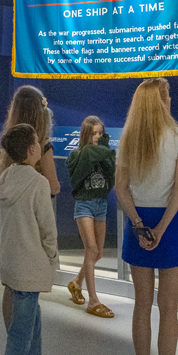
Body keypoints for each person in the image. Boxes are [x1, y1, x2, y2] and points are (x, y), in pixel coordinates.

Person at [114, 79, 178, 355]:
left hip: (138, 225)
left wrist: (138, 224)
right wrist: (161, 228)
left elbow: (121, 188)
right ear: (163, 101)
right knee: (169, 308)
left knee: (142, 306)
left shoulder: (127, 140)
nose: (171, 98)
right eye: (168, 95)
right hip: (170, 224)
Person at [0, 124, 58, 355]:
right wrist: (53, 257)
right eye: (38, 143)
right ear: (32, 150)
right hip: (31, 269)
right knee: (19, 340)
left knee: (34, 322)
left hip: (11, 265)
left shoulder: (7, 178)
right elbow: (48, 230)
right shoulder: (38, 183)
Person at [0, 86, 59, 338]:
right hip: (33, 234)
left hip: (10, 233)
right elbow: (53, 185)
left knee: (10, 288)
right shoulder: (41, 146)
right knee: (29, 297)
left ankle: (14, 342)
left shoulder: (8, 147)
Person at [65, 115, 115, 318]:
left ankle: (76, 283)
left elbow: (112, 170)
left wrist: (106, 152)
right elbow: (84, 161)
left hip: (101, 204)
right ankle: (93, 300)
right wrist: (104, 149)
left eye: (101, 133)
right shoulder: (77, 155)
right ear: (86, 133)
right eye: (94, 133)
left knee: (98, 253)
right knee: (91, 248)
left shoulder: (105, 155)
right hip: (84, 204)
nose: (98, 136)